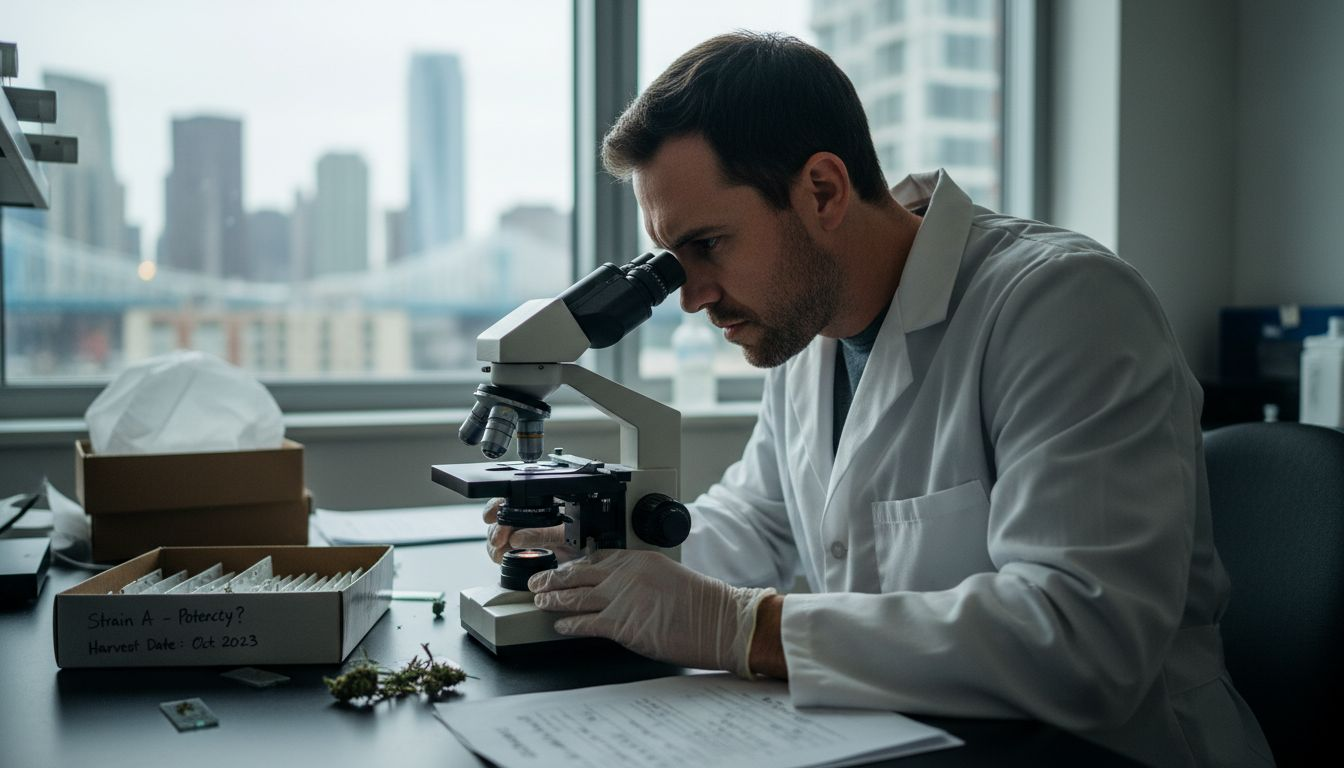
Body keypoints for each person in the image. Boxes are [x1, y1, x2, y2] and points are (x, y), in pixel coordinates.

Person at [484, 32, 1271, 767]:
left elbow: (1082, 639)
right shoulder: (805, 333)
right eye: (669, 259)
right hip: (906, 740)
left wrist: (744, 628)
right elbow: (757, 526)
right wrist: (597, 558)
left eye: (707, 245)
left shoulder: (1065, 307)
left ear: (822, 190)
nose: (689, 296)